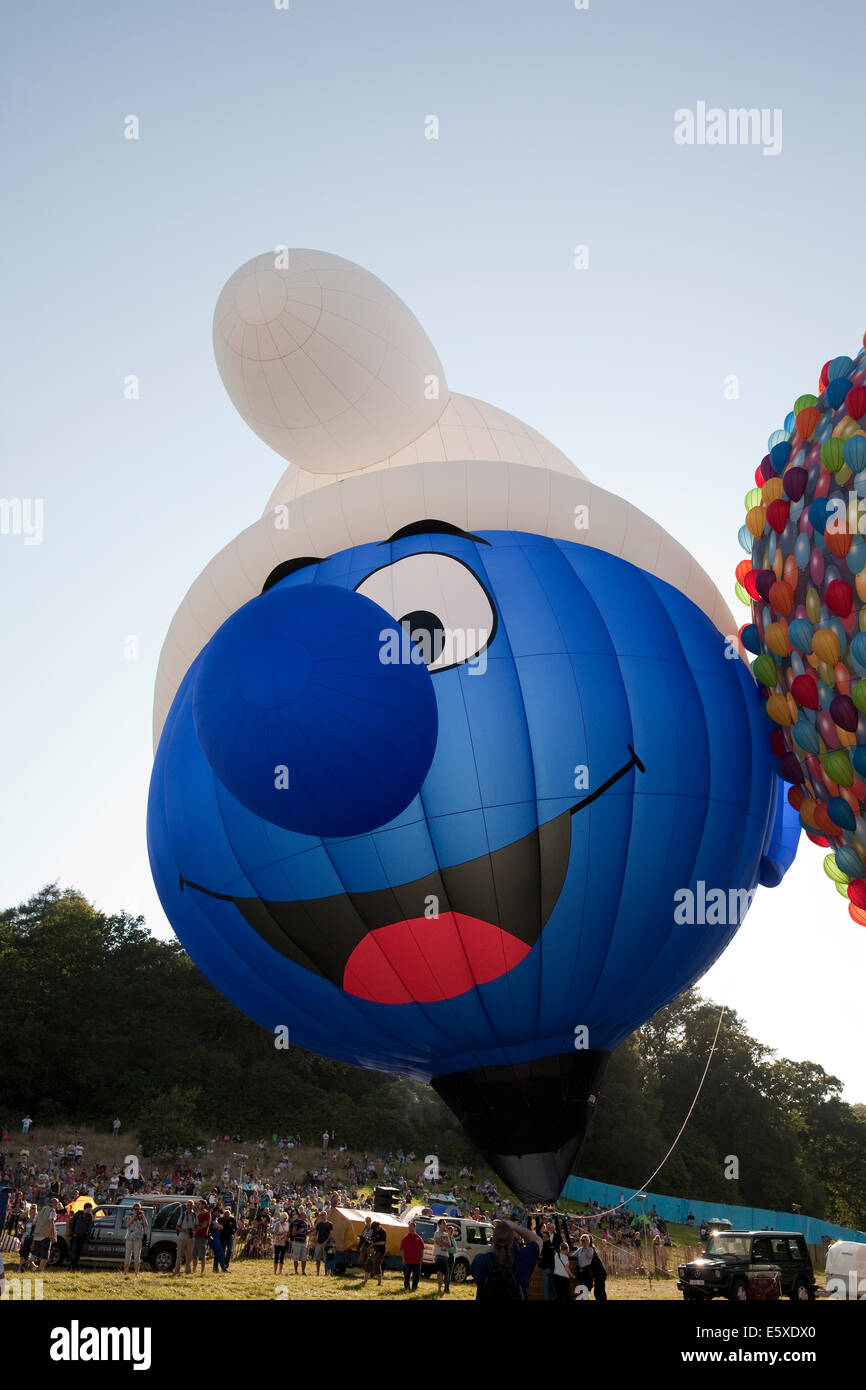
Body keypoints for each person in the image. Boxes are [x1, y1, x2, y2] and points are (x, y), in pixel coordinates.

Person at [472, 1219, 542, 1301]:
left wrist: (495, 1242)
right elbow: (538, 1241)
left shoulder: (480, 1260)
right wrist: (516, 1227)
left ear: (493, 1239)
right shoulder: (522, 1258)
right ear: (512, 1241)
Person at [31, 1198, 58, 1273]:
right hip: (45, 1234)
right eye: (56, 1204)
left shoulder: (42, 1209)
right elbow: (51, 1222)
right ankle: (40, 1270)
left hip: (37, 1233)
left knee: (36, 1253)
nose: (57, 1205)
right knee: (45, 1254)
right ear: (53, 1203)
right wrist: (52, 1234)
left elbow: (34, 1222)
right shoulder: (52, 1210)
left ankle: (28, 1262)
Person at [400, 1219, 425, 1292]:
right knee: (407, 1275)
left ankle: (414, 1287)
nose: (410, 1228)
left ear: (414, 1228)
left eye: (411, 1227)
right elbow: (402, 1249)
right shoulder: (405, 1238)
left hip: (416, 1261)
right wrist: (403, 1259)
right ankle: (406, 1287)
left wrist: (421, 1258)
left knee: (416, 1276)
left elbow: (422, 1249)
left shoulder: (419, 1238)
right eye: (409, 1227)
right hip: (408, 1260)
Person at [123, 1203, 147, 1277]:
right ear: (132, 1210)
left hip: (138, 1240)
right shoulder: (129, 1217)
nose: (136, 1210)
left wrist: (142, 1216)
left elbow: (146, 1225)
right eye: (135, 1209)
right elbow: (127, 1225)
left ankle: (136, 1273)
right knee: (127, 1256)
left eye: (138, 1209)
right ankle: (125, 1272)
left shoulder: (141, 1218)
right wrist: (133, 1217)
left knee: (137, 1257)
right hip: (129, 1239)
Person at [68, 1202, 94, 1270]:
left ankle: (75, 1266)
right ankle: (71, 1266)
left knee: (78, 1252)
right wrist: (72, 1233)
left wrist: (87, 1235)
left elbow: (90, 1226)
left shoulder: (90, 1216)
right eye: (90, 1209)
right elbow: (72, 1223)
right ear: (87, 1208)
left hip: (82, 1236)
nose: (90, 1210)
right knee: (73, 1251)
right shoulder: (78, 1214)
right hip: (75, 1235)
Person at [174, 1201, 196, 1275]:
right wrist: (184, 1231)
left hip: (191, 1238)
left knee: (189, 1256)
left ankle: (188, 1270)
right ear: (186, 1206)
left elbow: (197, 1225)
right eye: (188, 1205)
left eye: (190, 1205)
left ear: (193, 1206)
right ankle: (176, 1270)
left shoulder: (195, 1215)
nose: (189, 1206)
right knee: (179, 1255)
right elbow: (177, 1226)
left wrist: (194, 1231)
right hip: (182, 1237)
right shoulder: (183, 1215)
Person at [432, 1219, 452, 1294]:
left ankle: (443, 1288)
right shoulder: (436, 1233)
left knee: (445, 1274)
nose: (445, 1225)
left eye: (445, 1223)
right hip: (439, 1256)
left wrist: (443, 1243)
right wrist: (444, 1243)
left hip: (445, 1256)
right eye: (443, 1223)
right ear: (439, 1225)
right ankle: (439, 1289)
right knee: (439, 1273)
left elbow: (449, 1246)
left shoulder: (446, 1235)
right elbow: (438, 1242)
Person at [193, 1201, 212, 1276]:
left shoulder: (207, 1214)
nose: (198, 1205)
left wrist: (196, 1229)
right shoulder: (197, 1213)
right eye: (198, 1204)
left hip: (202, 1236)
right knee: (194, 1254)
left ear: (204, 1205)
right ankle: (194, 1270)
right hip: (196, 1236)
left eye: (200, 1204)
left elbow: (204, 1225)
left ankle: (202, 1271)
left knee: (202, 1254)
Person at [290, 1207, 310, 1275]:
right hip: (297, 1242)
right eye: (304, 1215)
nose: (306, 1216)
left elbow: (306, 1233)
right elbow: (293, 1233)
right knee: (296, 1257)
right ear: (301, 1216)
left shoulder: (305, 1223)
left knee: (304, 1258)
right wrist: (299, 1231)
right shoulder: (297, 1222)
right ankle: (296, 1271)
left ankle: (303, 1271)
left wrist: (312, 1231)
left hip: (304, 1242)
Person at [368, 1220, 387, 1286]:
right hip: (374, 1250)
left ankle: (379, 1282)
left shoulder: (383, 1232)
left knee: (377, 1265)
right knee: (369, 1263)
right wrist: (371, 1247)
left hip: (381, 1251)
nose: (374, 1230)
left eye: (375, 1229)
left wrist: (374, 1244)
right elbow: (372, 1240)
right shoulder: (374, 1231)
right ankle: (365, 1280)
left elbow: (383, 1242)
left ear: (378, 1226)